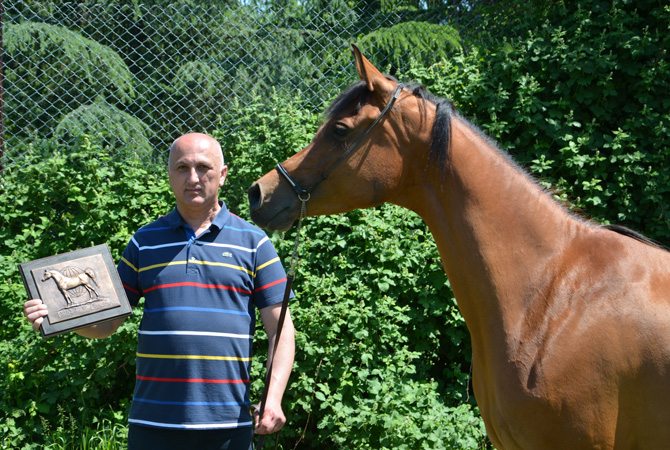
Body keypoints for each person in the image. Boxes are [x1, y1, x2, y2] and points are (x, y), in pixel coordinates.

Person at [23, 133, 295, 450]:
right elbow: (106, 324)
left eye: (204, 167)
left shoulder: (254, 242)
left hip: (228, 423)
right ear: (169, 175)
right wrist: (56, 315)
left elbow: (281, 329)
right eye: (182, 167)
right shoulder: (144, 242)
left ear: (222, 175)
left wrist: (273, 399)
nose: (193, 177)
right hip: (153, 423)